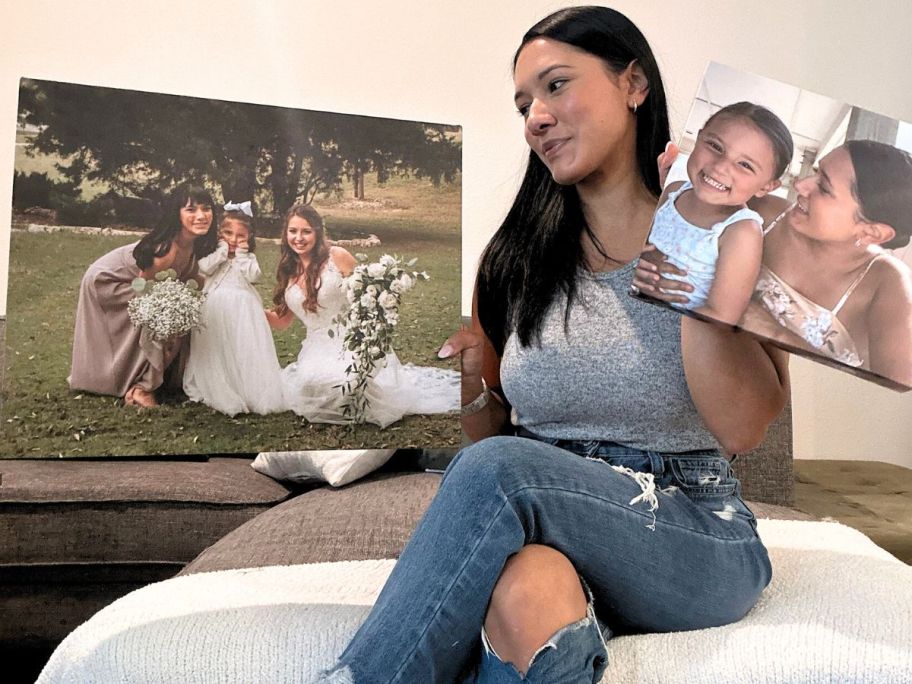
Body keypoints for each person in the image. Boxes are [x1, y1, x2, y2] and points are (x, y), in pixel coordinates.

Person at [322, 6, 788, 683]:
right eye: (524, 104)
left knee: (501, 475)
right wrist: (472, 382)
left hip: (691, 529)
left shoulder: (739, 242)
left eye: (557, 85)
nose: (536, 116)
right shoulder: (514, 259)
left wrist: (689, 249)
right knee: (525, 594)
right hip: (552, 524)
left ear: (633, 84)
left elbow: (744, 427)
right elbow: (493, 452)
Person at [643, 140, 912, 386]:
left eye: (824, 187)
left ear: (871, 232)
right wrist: (653, 243)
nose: (801, 185)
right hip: (676, 362)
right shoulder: (761, 212)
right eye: (816, 172)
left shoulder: (889, 285)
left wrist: (765, 326)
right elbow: (673, 224)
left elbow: (889, 404)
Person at [266, 204, 459, 427]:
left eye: (306, 231)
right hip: (316, 346)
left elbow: (369, 294)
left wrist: (373, 330)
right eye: (293, 231)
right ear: (286, 233)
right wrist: (250, 308)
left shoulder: (336, 256)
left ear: (317, 232)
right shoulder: (287, 269)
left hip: (352, 339)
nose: (298, 238)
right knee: (311, 384)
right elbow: (282, 321)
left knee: (345, 382)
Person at [69, 184, 219, 408]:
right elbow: (145, 292)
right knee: (163, 320)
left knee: (177, 312)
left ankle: (158, 379)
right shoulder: (166, 251)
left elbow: (193, 279)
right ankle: (142, 388)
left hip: (144, 285)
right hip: (109, 281)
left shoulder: (194, 244)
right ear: (176, 215)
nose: (201, 216)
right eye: (191, 210)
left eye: (206, 209)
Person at [645, 102, 793, 324]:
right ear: (699, 136)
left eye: (745, 165)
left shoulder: (741, 231)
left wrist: (657, 307)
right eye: (715, 146)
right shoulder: (674, 191)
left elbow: (723, 316)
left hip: (677, 335)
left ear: (766, 187)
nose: (721, 166)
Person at [182, 201, 285, 416]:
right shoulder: (213, 255)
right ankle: (218, 382)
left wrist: (241, 255)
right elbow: (204, 268)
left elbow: (254, 276)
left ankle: (244, 385)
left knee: (241, 345)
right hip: (215, 307)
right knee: (217, 345)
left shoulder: (248, 258)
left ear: (248, 238)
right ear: (219, 233)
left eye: (240, 236)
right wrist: (221, 252)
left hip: (243, 308)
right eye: (228, 233)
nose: (233, 240)